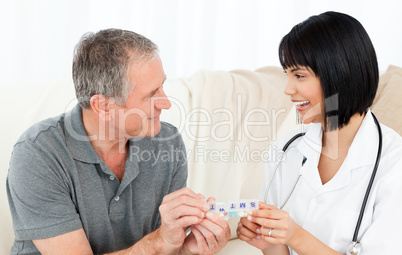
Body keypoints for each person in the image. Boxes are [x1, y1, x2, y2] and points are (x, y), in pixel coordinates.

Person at [6, 29, 230, 255]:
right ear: (103, 107)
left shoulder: (167, 143)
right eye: (151, 95)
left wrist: (185, 250)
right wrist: (160, 241)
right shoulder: (38, 154)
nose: (166, 104)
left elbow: (164, 248)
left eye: (162, 85)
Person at [237, 11, 402, 254]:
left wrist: (295, 236)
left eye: (299, 76)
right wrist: (269, 242)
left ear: (339, 74)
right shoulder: (286, 149)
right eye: (287, 75)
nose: (288, 89)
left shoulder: (393, 162)